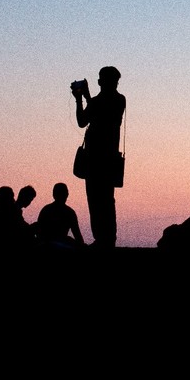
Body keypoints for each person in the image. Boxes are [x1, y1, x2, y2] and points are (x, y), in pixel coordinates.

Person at [74, 66, 126, 248]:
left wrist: (85, 98)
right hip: (96, 157)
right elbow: (83, 121)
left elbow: (98, 115)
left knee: (103, 200)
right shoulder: (100, 100)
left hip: (104, 158)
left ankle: (107, 239)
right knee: (96, 200)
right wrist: (80, 99)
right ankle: (102, 238)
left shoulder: (119, 100)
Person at [34, 182, 86, 248]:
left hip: (47, 243)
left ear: (53, 194)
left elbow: (39, 231)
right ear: (67, 194)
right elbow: (77, 235)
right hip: (53, 243)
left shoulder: (46, 209)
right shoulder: (70, 212)